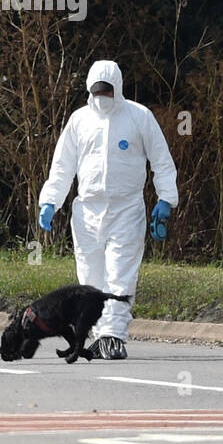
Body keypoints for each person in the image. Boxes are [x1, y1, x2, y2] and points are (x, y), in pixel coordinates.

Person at [38, 60, 178, 359]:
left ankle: (114, 336)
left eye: (107, 90)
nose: (102, 96)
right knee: (90, 278)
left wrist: (165, 199)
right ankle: (99, 333)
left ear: (118, 88)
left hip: (126, 208)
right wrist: (50, 200)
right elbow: (63, 166)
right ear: (89, 90)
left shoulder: (139, 117)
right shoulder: (79, 121)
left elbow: (161, 161)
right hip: (87, 211)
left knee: (121, 274)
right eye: (96, 91)